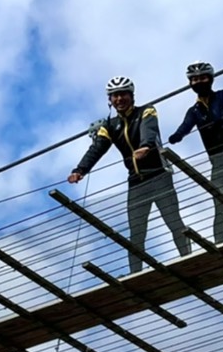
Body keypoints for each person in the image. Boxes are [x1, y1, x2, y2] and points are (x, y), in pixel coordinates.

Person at [68, 76, 191, 274]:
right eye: (115, 96)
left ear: (131, 95)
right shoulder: (109, 126)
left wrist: (145, 146)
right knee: (136, 231)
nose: (119, 99)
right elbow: (97, 148)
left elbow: (148, 131)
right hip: (136, 181)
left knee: (172, 220)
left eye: (123, 94)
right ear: (110, 100)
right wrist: (80, 170)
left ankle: (188, 258)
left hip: (158, 174)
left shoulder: (146, 111)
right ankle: (136, 273)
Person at [168, 61, 223, 244]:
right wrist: (177, 135)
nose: (198, 82)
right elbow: (186, 125)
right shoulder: (194, 111)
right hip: (219, 162)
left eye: (203, 78)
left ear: (211, 79)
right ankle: (220, 243)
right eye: (194, 80)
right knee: (220, 202)